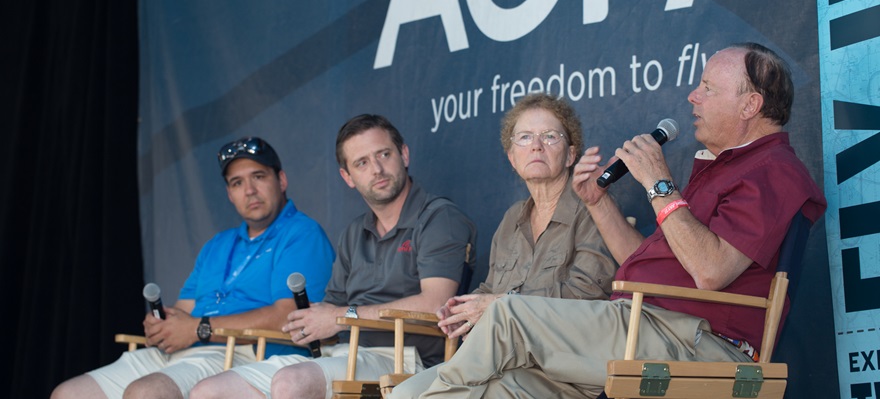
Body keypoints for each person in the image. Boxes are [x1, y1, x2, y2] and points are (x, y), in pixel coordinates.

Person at [414, 42, 827, 398]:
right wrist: (597, 202)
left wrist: (660, 183)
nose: (692, 97)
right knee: (472, 390)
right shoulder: (721, 169)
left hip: (696, 341)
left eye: (707, 88)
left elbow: (710, 270)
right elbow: (645, 265)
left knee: (507, 314)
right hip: (644, 326)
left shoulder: (774, 168)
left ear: (750, 104)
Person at [190, 114, 477, 399]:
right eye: (361, 163)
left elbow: (436, 304)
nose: (376, 169)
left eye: (384, 154)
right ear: (347, 177)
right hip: (344, 352)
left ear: (403, 154)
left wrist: (339, 317)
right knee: (212, 390)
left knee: (292, 383)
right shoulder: (354, 232)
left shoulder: (439, 217)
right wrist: (309, 322)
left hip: (407, 360)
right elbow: (331, 310)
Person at [51, 137, 335, 399]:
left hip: (244, 353)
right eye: (237, 183)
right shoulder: (217, 244)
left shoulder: (301, 233)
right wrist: (163, 325)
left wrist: (198, 329)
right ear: (229, 194)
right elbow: (184, 310)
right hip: (186, 350)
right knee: (69, 393)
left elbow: (289, 316)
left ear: (281, 180)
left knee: (145, 393)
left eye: (258, 177)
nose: (249, 190)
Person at [390, 93, 618, 398]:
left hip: (561, 368)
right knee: (402, 394)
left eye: (550, 136)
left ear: (570, 154)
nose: (536, 145)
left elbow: (589, 296)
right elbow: (491, 290)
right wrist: (462, 309)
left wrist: (502, 303)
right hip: (500, 360)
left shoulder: (593, 207)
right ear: (512, 157)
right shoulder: (512, 218)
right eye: (524, 137)